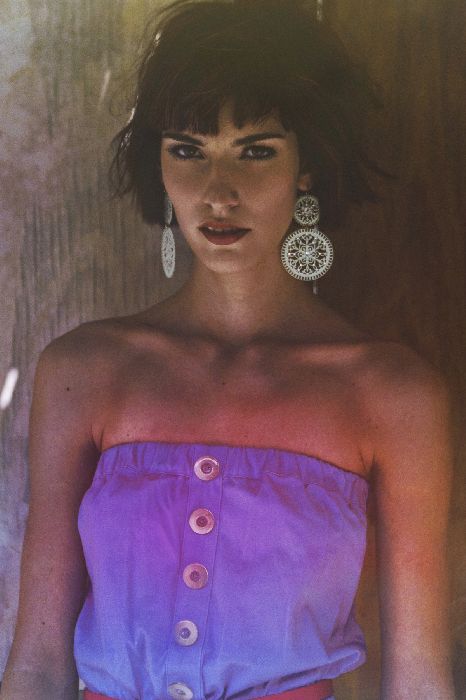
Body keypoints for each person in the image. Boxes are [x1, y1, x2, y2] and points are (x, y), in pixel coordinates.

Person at [0, 0, 455, 698]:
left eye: (256, 151)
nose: (219, 192)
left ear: (307, 167)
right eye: (188, 150)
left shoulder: (392, 395)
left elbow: (420, 680)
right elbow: (36, 663)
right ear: (159, 166)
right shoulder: (83, 372)